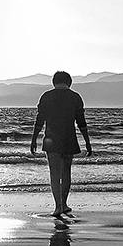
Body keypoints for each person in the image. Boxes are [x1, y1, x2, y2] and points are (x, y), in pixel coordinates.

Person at [30, 71, 92, 217]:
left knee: (54, 173)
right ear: (69, 82)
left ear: (54, 82)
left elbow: (39, 121)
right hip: (69, 138)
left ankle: (58, 206)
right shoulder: (75, 97)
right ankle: (64, 204)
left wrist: (33, 139)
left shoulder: (46, 96)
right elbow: (81, 123)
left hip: (51, 139)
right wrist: (88, 143)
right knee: (66, 173)